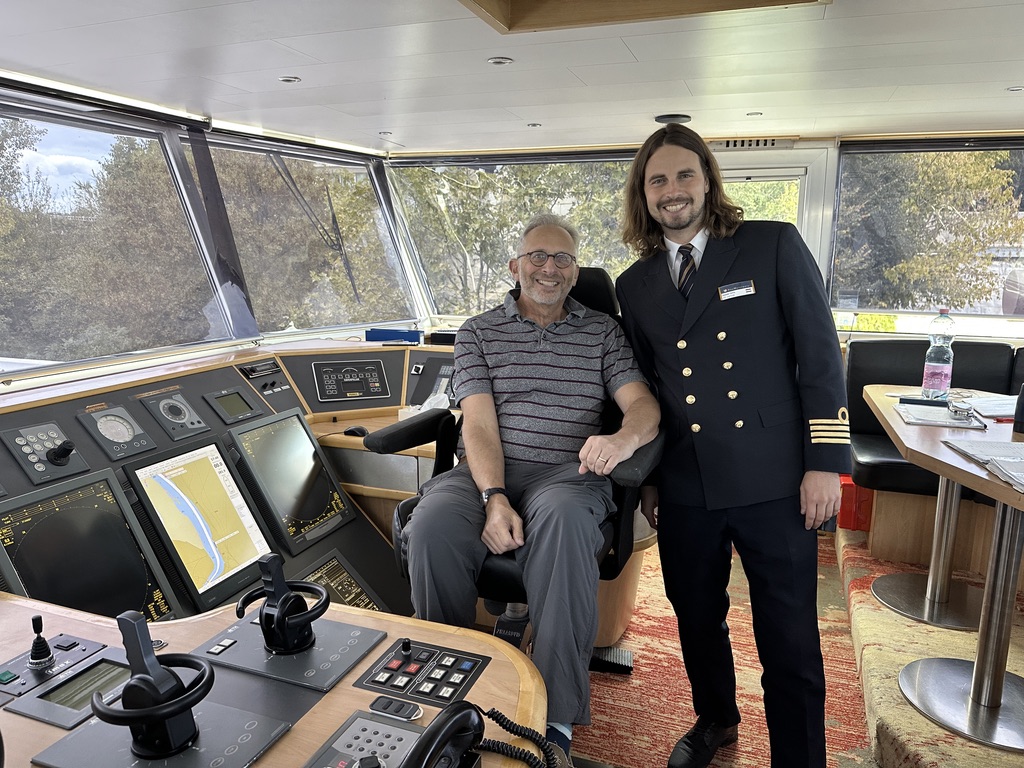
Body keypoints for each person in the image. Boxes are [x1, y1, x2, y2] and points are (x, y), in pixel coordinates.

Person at [615, 123, 851, 768]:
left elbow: (820, 356)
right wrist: (650, 479)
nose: (672, 190)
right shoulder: (634, 284)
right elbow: (646, 390)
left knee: (789, 633)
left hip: (777, 477)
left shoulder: (770, 244)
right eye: (657, 180)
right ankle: (716, 718)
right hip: (687, 480)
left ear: (708, 181)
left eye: (684, 175)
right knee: (695, 615)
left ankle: (799, 757)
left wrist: (825, 463)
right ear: (643, 193)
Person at [403, 213, 660, 762]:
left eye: (563, 258)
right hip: (486, 471)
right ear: (514, 266)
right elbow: (478, 424)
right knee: (430, 527)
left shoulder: (602, 331)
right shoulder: (478, 331)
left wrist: (622, 439)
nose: (549, 268)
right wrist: (492, 497)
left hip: (568, 475)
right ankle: (444, 691)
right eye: (537, 256)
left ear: (575, 272)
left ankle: (555, 714)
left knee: (564, 525)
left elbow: (643, 406)